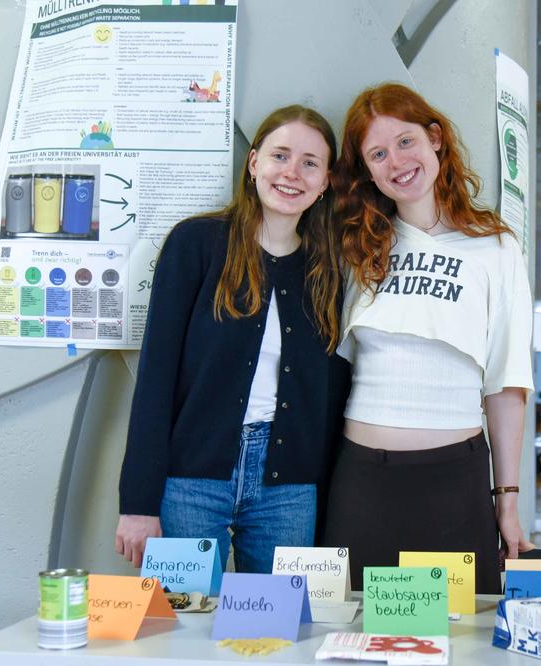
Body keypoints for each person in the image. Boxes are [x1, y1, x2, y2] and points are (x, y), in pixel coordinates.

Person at [115, 105, 349, 572]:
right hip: (191, 481)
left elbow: (330, 401)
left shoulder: (328, 271)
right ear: (254, 162)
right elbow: (155, 378)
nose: (292, 173)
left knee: (280, 634)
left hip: (289, 490)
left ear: (325, 181)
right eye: (280, 156)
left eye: (310, 163)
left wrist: (326, 508)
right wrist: (137, 503)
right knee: (183, 629)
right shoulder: (196, 244)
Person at [322, 83, 534, 593]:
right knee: (353, 635)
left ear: (435, 139)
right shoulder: (356, 248)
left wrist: (506, 498)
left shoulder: (496, 246)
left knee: (457, 640)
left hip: (452, 484)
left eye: (406, 141)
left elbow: (506, 384)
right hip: (362, 483)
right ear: (368, 170)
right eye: (378, 153)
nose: (396, 161)